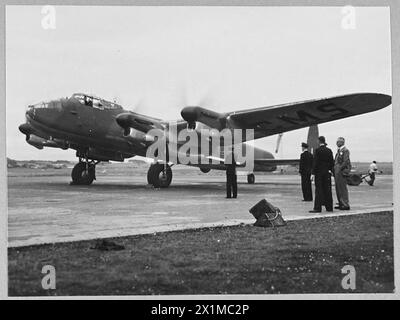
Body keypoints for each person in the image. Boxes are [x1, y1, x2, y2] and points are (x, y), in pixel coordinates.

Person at [309, 136, 334, 213]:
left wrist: (313, 173)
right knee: (328, 190)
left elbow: (315, 162)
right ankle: (329, 207)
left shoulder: (317, 151)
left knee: (319, 190)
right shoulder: (329, 151)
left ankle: (317, 208)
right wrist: (330, 170)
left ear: (319, 141)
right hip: (327, 173)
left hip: (319, 173)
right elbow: (332, 162)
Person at [334, 137, 351, 210]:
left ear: (342, 142)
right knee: (338, 188)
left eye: (338, 142)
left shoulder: (345, 150)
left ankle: (345, 204)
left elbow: (345, 161)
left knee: (342, 188)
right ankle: (340, 203)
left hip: (341, 171)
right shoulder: (339, 151)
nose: (337, 143)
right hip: (337, 171)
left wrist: (340, 169)